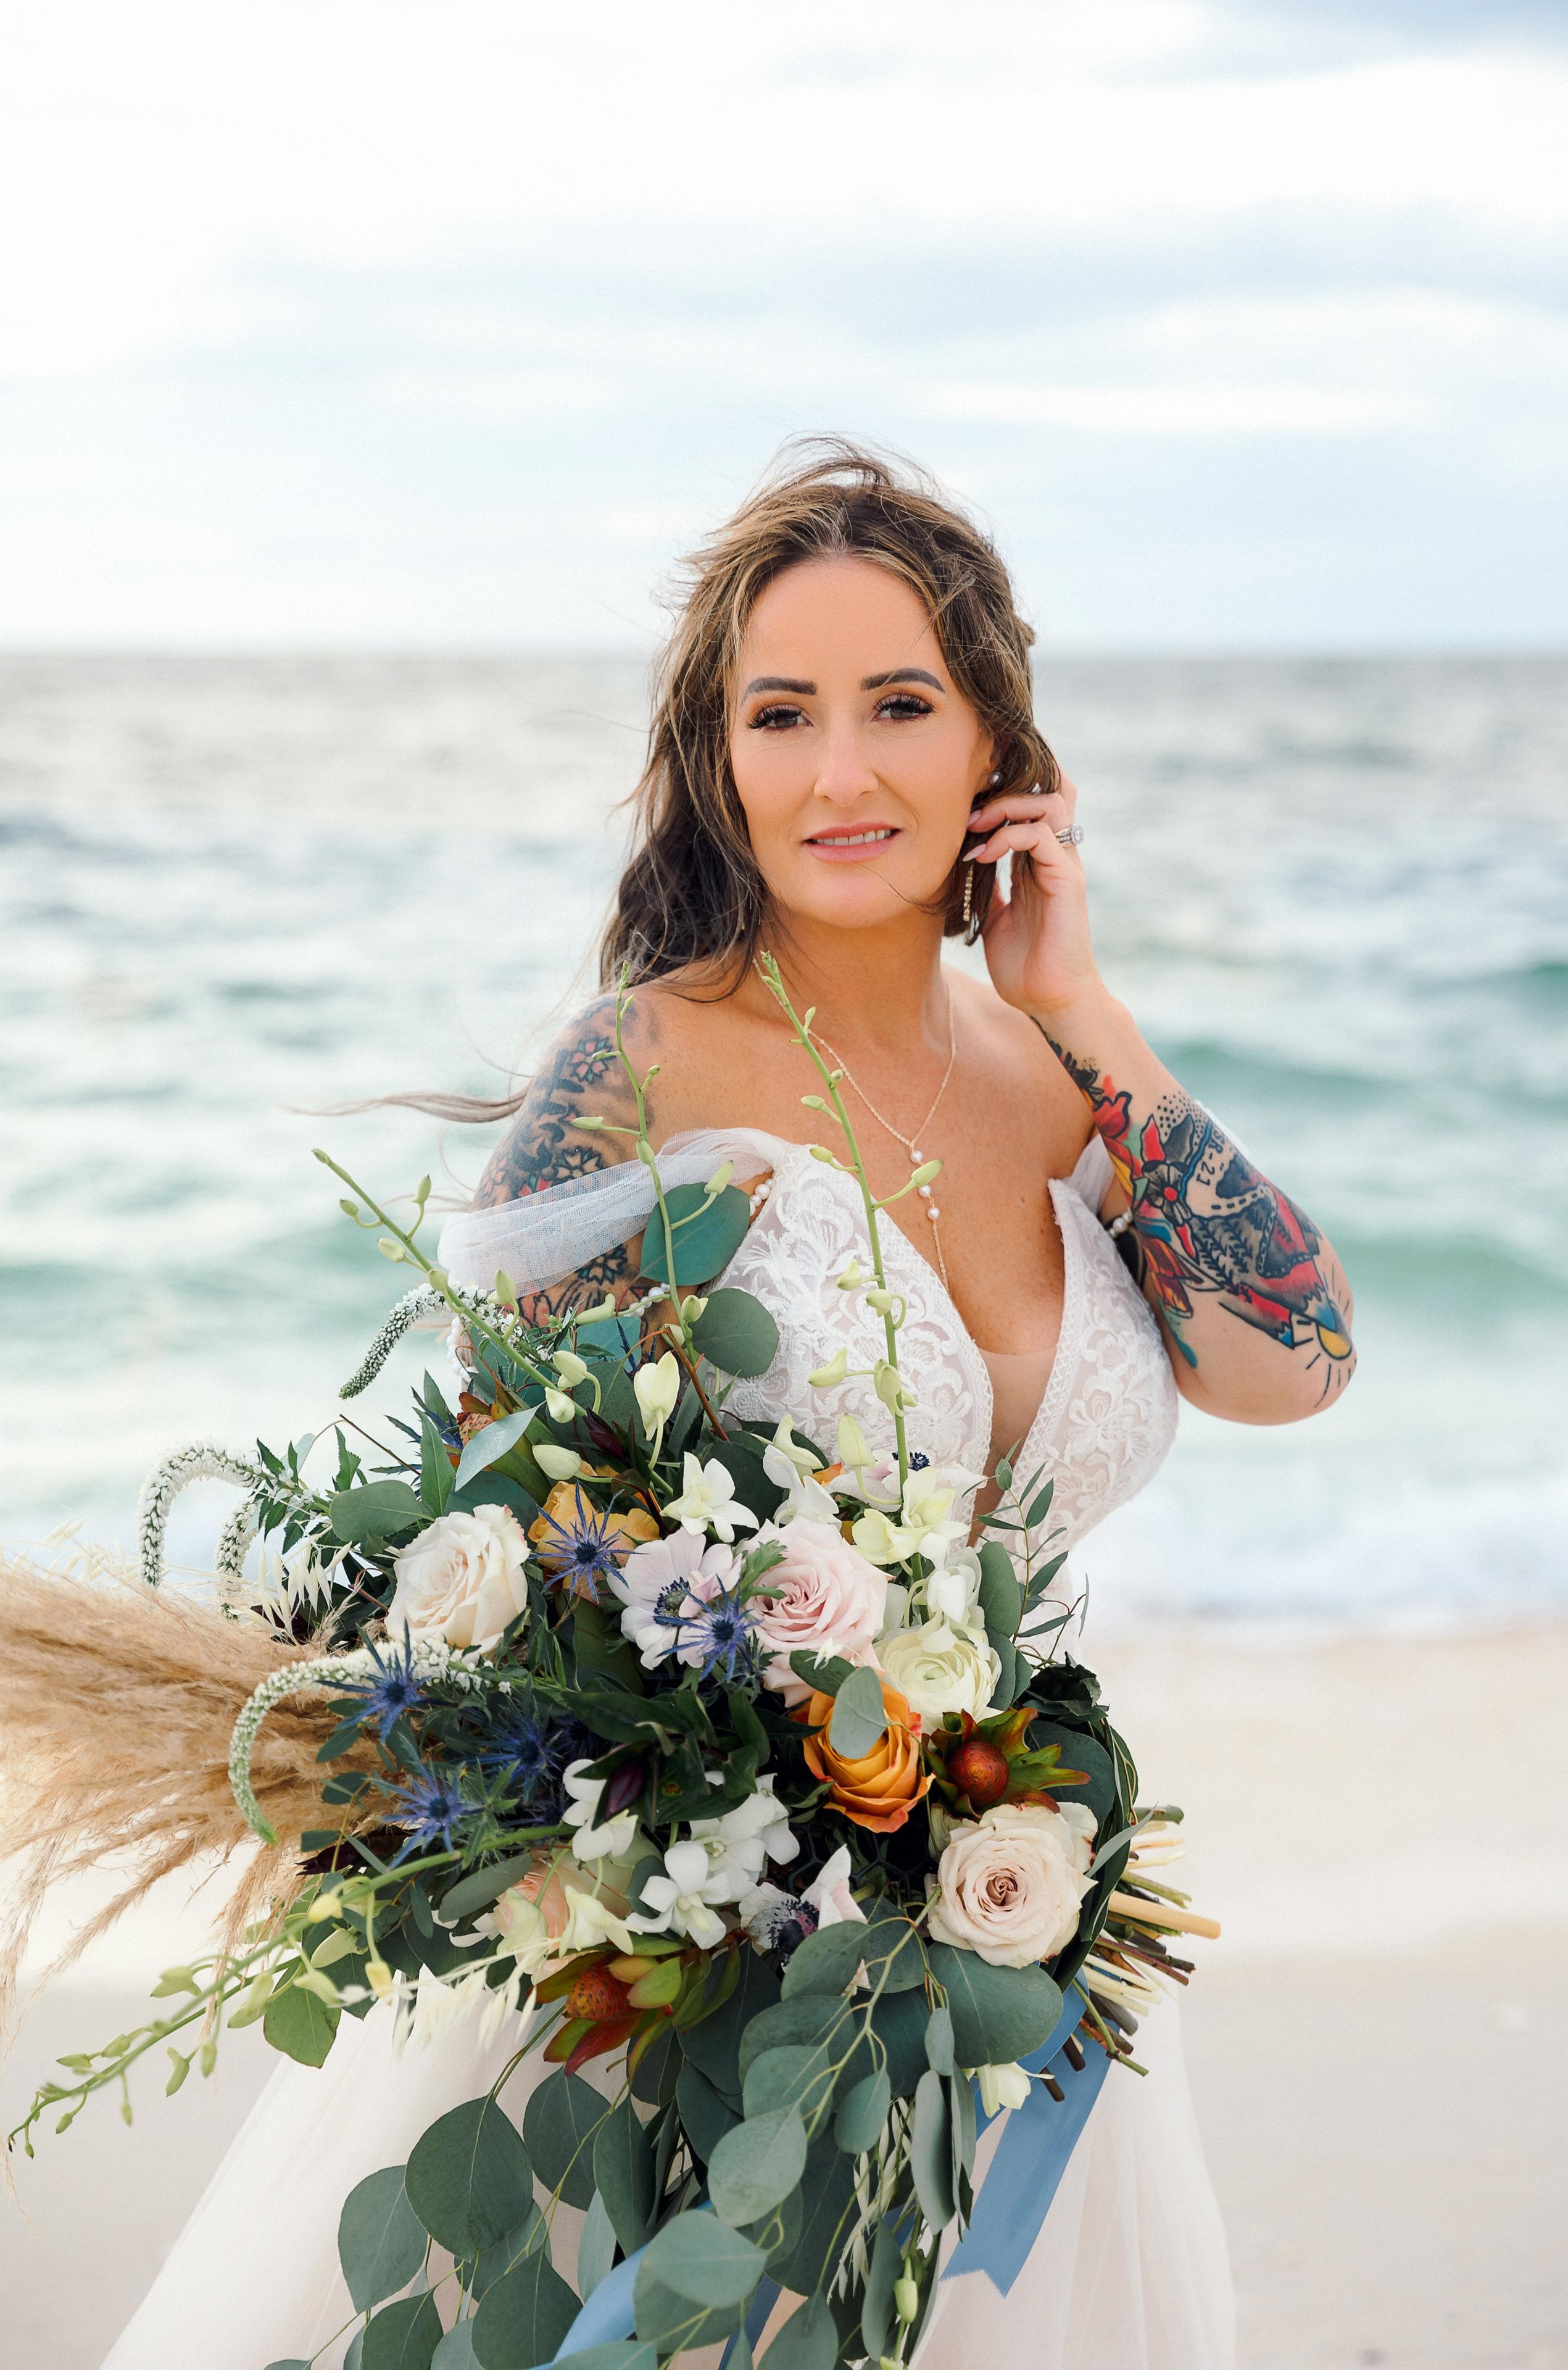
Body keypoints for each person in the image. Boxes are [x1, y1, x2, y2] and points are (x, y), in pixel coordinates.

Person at [104, 442, 1352, 2369]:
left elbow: (1299, 1361)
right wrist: (738, 1774)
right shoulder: (643, 1063)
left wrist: (1092, 1014)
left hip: (1011, 1949)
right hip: (689, 1977)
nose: (841, 772)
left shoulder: (1055, 1083)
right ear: (722, 758)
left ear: (997, 749)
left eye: (900, 706)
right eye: (784, 714)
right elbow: (499, 1499)